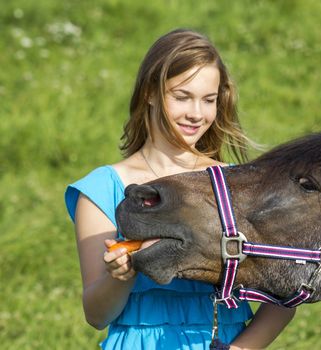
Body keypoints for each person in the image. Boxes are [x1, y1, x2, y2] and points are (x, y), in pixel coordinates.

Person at [65, 28, 295, 349]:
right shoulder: (102, 190)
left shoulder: (234, 185)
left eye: (209, 100)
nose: (196, 114)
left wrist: (243, 348)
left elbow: (287, 286)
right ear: (150, 93)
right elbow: (96, 314)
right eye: (182, 96)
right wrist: (121, 277)